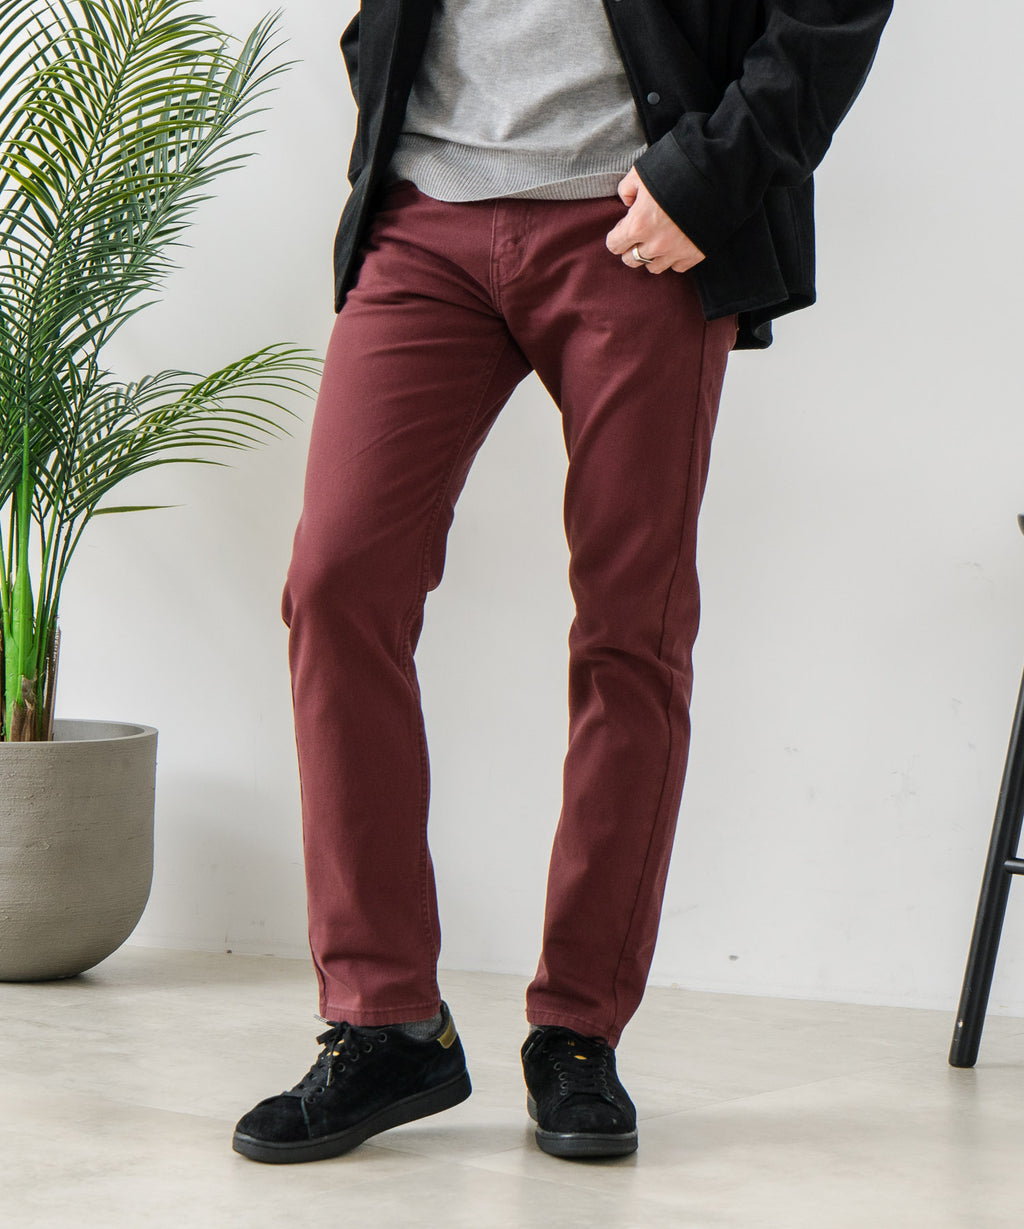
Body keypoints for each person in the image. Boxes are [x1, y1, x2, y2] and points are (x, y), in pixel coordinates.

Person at [233, 0, 893, 1164]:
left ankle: (579, 1027)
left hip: (638, 215)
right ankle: (385, 1019)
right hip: (425, 209)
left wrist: (714, 172)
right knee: (335, 582)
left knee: (631, 627)